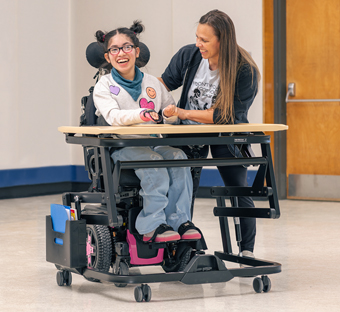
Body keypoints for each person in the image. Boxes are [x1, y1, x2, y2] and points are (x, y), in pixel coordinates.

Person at [161, 10, 260, 258]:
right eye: (197, 37)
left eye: (204, 40)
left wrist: (182, 113)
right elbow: (163, 84)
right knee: (182, 187)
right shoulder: (189, 55)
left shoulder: (244, 70)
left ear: (222, 40)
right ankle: (181, 247)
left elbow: (223, 116)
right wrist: (151, 101)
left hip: (225, 135)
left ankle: (246, 251)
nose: (198, 44)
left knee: (237, 187)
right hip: (188, 133)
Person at [92, 21, 202, 243]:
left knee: (179, 158)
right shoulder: (104, 86)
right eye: (114, 49)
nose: (121, 53)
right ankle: (152, 225)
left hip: (154, 141)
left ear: (137, 51)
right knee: (153, 161)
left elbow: (168, 116)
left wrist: (171, 114)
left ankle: (180, 221)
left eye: (127, 47)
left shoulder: (153, 83)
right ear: (107, 56)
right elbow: (113, 117)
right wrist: (141, 114)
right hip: (123, 146)